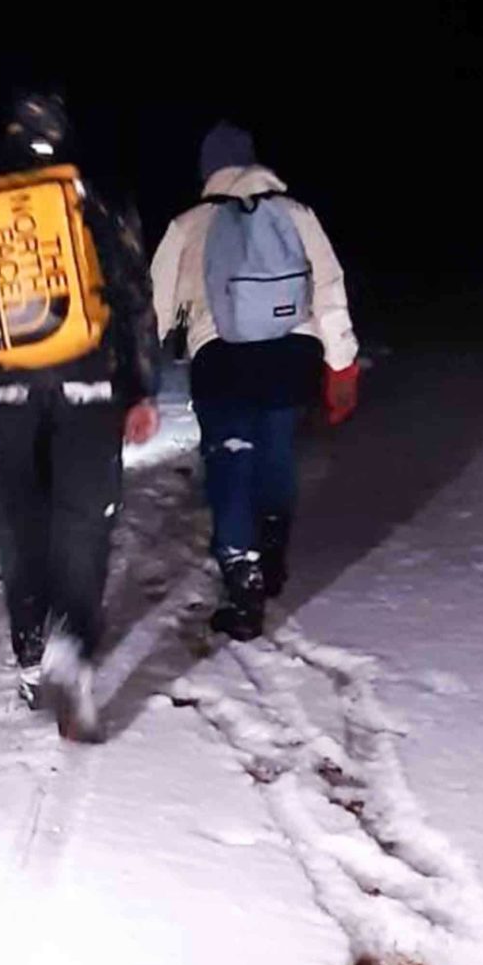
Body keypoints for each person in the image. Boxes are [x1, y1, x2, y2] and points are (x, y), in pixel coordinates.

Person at [0, 91, 162, 740]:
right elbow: (132, 296)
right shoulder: (96, 198)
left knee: (20, 520)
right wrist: (141, 388)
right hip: (88, 381)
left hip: (7, 389)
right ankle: (71, 640)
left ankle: (32, 650)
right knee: (83, 521)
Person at [150, 121, 360, 641]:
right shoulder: (295, 214)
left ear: (207, 170)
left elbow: (156, 309)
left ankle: (243, 580)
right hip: (291, 351)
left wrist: (140, 377)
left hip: (220, 355)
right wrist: (342, 362)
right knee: (276, 448)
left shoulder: (188, 224)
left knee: (231, 459)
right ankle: (272, 550)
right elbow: (329, 288)